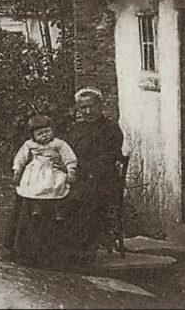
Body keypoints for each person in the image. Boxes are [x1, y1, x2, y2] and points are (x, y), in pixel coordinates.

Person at [7, 114, 78, 266]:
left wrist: (71, 170)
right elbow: (20, 158)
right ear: (32, 135)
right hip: (36, 172)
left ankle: (58, 212)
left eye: (47, 131)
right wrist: (17, 172)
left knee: (58, 186)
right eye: (40, 133)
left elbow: (69, 157)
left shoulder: (59, 144)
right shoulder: (29, 145)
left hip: (53, 170)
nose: (45, 135)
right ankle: (36, 209)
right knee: (34, 189)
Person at [64, 87, 125, 262]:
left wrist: (82, 172)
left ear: (100, 105)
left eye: (92, 106)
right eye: (83, 108)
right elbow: (67, 153)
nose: (88, 111)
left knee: (81, 198)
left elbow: (107, 159)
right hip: (78, 177)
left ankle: (84, 252)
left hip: (102, 180)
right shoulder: (76, 129)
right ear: (78, 108)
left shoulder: (111, 129)